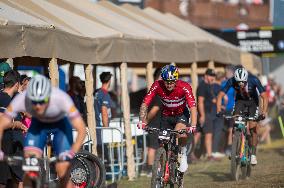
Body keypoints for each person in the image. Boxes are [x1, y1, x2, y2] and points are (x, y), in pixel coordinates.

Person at [0, 74, 86, 188]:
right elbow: (1, 125)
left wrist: (72, 152)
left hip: (60, 127)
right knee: (30, 169)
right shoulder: (21, 99)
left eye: (43, 101)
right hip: (39, 126)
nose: (38, 106)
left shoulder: (62, 98)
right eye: (34, 102)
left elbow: (82, 130)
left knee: (62, 170)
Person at [137, 64, 197, 173]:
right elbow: (145, 103)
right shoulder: (157, 85)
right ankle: (161, 170)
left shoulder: (184, 86)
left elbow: (192, 106)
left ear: (176, 79)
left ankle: (182, 153)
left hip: (181, 114)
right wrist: (142, 121)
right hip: (166, 115)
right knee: (162, 141)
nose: (169, 84)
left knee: (180, 132)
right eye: (166, 81)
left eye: (171, 81)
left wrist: (193, 124)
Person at [217, 67, 268, 165]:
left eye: (243, 82)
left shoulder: (254, 80)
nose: (240, 84)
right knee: (235, 120)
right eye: (238, 82)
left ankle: (253, 154)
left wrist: (264, 112)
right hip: (240, 101)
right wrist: (218, 110)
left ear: (246, 79)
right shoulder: (231, 80)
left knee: (253, 127)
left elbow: (264, 96)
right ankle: (235, 147)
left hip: (253, 102)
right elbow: (220, 95)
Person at [0, 70, 26, 188]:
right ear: (16, 84)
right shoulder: (5, 100)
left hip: (9, 146)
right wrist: (16, 124)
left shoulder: (6, 98)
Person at [140, 68, 162, 177]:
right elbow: (154, 110)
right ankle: (150, 170)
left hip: (157, 123)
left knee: (154, 147)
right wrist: (146, 121)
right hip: (155, 124)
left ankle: (153, 168)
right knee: (153, 148)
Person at [194, 68, 218, 161]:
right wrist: (203, 115)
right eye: (211, 76)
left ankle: (190, 154)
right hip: (205, 113)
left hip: (206, 113)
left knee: (198, 134)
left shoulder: (208, 85)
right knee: (208, 134)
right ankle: (209, 155)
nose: (212, 78)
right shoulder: (202, 86)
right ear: (206, 76)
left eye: (213, 76)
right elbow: (200, 102)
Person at [94, 72, 113, 155]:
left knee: (97, 149)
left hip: (95, 124)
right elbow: (104, 112)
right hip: (101, 126)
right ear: (109, 81)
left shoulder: (96, 92)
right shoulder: (105, 94)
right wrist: (106, 128)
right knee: (101, 151)